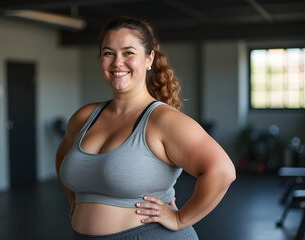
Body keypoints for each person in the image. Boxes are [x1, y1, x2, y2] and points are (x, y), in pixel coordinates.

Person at [56, 16, 236, 239]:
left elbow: (222, 171)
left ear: (149, 58)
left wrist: (180, 219)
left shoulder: (163, 120)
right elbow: (62, 156)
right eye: (108, 53)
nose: (117, 62)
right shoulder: (84, 117)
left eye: (128, 53)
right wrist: (77, 198)